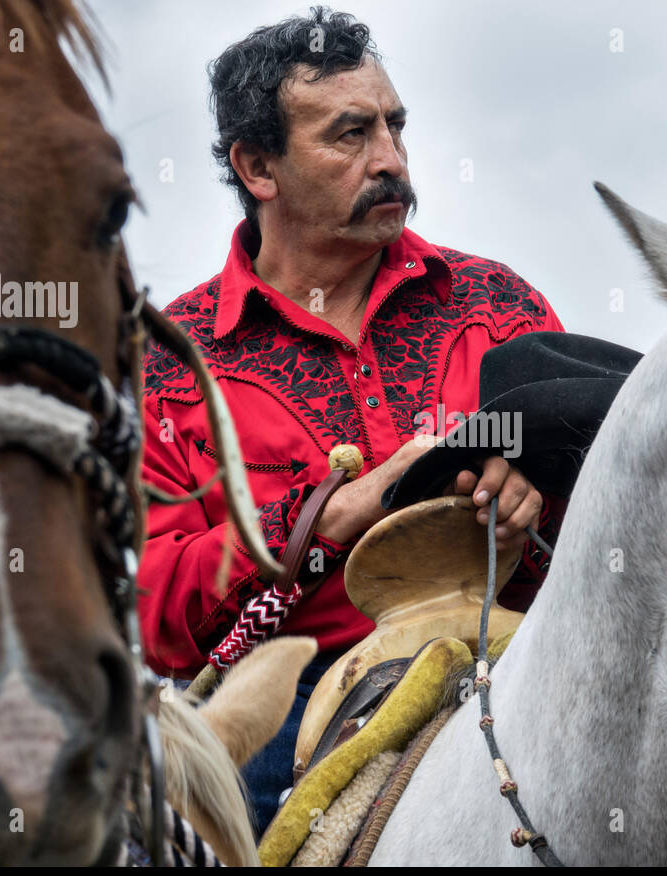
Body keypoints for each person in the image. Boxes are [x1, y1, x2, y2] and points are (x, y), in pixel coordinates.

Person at [137, 7, 563, 833]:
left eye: (396, 126)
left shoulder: (500, 306)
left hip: (517, 663)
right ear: (259, 166)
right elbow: (156, 612)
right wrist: (329, 518)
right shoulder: (166, 364)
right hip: (285, 705)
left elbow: (618, 510)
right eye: (351, 135)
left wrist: (536, 490)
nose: (392, 161)